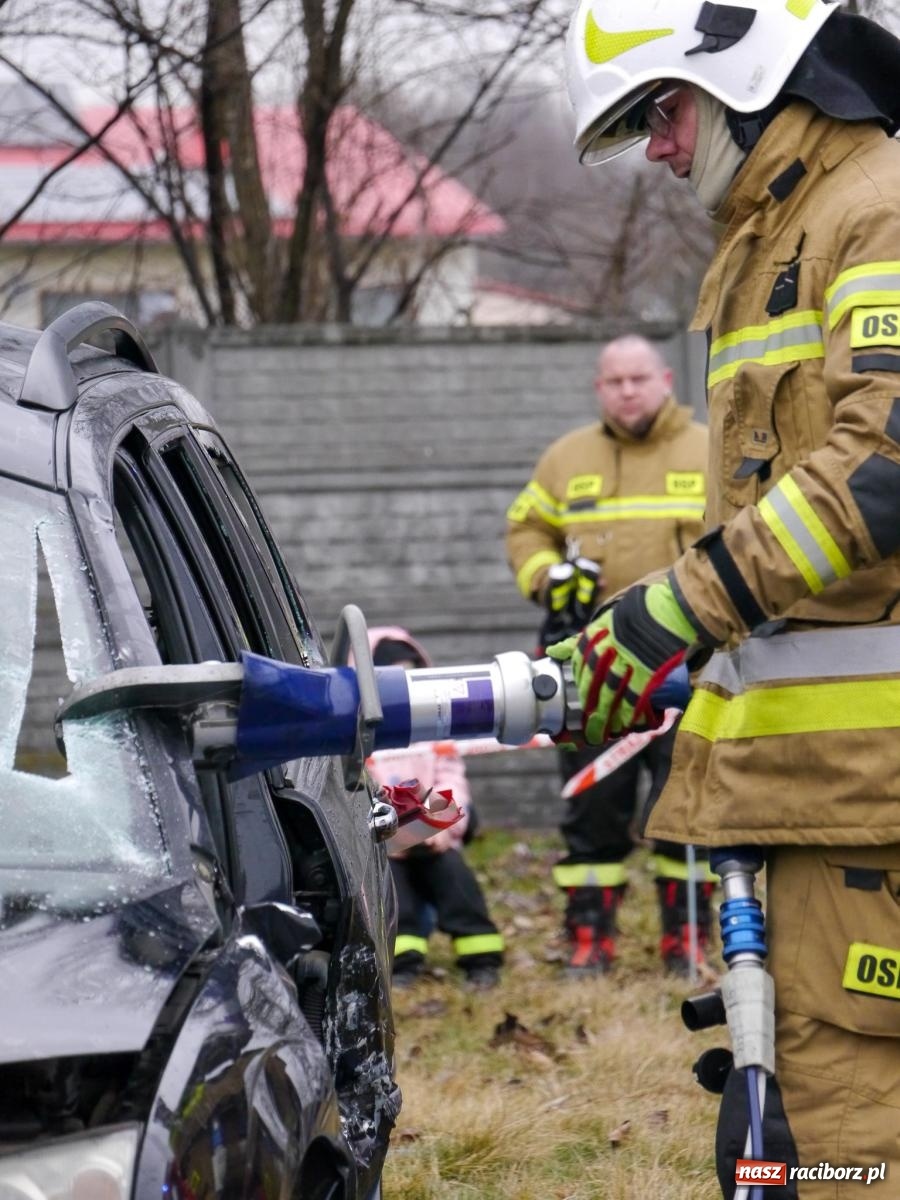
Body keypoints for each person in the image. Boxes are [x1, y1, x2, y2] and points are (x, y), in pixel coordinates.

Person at [557, 0, 900, 1192]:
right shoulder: (783, 229)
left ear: (741, 70)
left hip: (873, 804)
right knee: (799, 1136)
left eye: (661, 109)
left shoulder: (878, 207)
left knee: (857, 1157)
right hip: (816, 795)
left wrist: (677, 607)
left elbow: (885, 465)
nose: (657, 147)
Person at [506, 335, 712, 976]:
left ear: (667, 379)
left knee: (689, 803)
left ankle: (691, 941)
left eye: (639, 378)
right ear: (599, 388)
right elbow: (525, 528)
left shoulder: (710, 449)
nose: (628, 390)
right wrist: (546, 577)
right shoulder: (567, 457)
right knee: (593, 804)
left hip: (696, 662)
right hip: (592, 665)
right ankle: (589, 941)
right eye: (615, 380)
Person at [366, 626, 505, 990]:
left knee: (453, 875)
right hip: (382, 839)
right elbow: (360, 792)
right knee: (394, 895)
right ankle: (404, 965)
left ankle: (482, 959)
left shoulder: (435, 729)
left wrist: (440, 831)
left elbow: (453, 784)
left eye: (414, 675)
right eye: (396, 679)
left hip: (432, 826)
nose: (407, 689)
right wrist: (391, 836)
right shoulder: (359, 737)